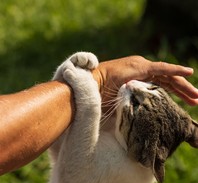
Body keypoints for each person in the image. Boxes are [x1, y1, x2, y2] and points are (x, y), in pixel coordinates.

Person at [0, 55, 198, 176]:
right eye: (152, 88)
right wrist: (86, 82)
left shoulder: (124, 173)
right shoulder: (123, 138)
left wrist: (97, 82)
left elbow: (66, 164)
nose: (132, 85)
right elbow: (58, 141)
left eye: (136, 103)